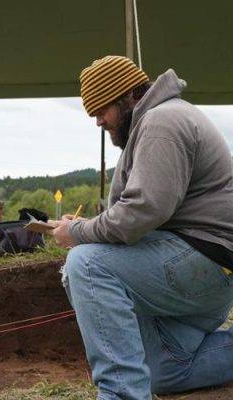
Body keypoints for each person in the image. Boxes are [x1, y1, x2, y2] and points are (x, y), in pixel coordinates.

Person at [49, 55, 233, 400]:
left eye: (102, 109)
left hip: (204, 261)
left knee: (87, 265)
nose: (99, 120)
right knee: (167, 371)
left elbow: (143, 211)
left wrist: (77, 234)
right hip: (205, 268)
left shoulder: (162, 122)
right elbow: (144, 209)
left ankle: (121, 395)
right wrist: (89, 226)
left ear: (130, 95)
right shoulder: (160, 119)